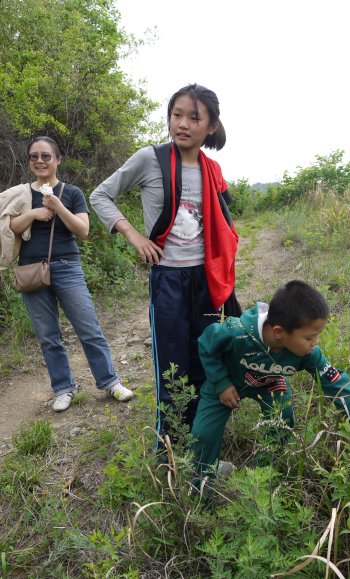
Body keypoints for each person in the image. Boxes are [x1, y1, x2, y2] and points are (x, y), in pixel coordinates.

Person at [90, 83, 239, 443]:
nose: (183, 123)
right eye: (176, 114)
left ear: (211, 126)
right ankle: (169, 451)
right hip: (168, 280)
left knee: (204, 362)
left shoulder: (211, 169)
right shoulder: (150, 159)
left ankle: (200, 448)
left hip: (205, 279)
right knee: (172, 368)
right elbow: (101, 195)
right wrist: (134, 236)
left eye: (194, 117)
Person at [191, 280, 350, 477]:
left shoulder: (308, 354)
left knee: (283, 420)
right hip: (227, 380)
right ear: (279, 332)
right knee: (204, 435)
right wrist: (221, 383)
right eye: (309, 337)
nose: (316, 342)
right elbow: (206, 344)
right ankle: (201, 489)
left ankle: (259, 476)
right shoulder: (237, 333)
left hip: (270, 382)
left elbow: (337, 384)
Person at [7, 136, 133, 412]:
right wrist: (33, 214)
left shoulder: (72, 192)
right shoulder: (21, 195)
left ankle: (110, 381)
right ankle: (63, 388)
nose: (40, 160)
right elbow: (11, 227)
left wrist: (57, 207)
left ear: (57, 160)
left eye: (46, 156)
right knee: (48, 335)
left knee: (88, 328)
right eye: (34, 156)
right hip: (31, 270)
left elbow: (83, 230)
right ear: (29, 162)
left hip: (67, 267)